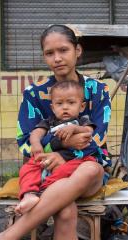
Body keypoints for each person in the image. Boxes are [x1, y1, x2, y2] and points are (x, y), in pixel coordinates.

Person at [0, 24, 111, 240]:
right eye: (49, 52)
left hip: (86, 169)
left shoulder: (97, 91)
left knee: (91, 170)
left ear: (78, 50)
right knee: (64, 211)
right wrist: (55, 150)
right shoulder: (34, 94)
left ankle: (6, 239)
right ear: (44, 57)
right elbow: (25, 142)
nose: (57, 58)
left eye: (63, 50)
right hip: (47, 173)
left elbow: (98, 138)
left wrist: (71, 152)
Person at [16, 80, 99, 215]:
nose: (65, 107)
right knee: (27, 167)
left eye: (71, 103)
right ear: (53, 107)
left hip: (74, 160)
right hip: (48, 160)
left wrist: (74, 127)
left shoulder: (83, 121)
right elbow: (36, 133)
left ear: (82, 106)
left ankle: (44, 191)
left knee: (71, 169)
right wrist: (36, 144)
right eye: (59, 104)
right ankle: (29, 193)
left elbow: (88, 133)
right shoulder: (49, 122)